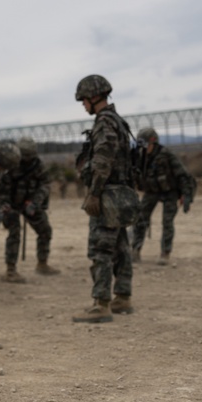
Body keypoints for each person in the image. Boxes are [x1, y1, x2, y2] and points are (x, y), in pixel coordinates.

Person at [73, 75, 135, 322]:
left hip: (108, 195)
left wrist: (94, 194)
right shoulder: (117, 121)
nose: (83, 105)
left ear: (94, 97)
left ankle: (101, 304)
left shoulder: (105, 123)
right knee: (120, 246)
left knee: (101, 249)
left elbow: (102, 161)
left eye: (84, 100)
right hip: (120, 193)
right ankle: (123, 297)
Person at [0, 137, 60, 282]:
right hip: (10, 205)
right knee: (15, 232)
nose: (27, 160)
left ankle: (42, 264)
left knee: (45, 230)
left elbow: (45, 185)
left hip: (30, 203)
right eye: (25, 157)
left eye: (30, 156)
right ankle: (10, 270)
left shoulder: (38, 166)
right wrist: (5, 206)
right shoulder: (9, 165)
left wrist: (35, 202)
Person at [130, 127, 195, 265]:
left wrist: (186, 194)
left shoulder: (167, 155)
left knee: (167, 222)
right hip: (152, 191)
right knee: (140, 219)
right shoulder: (141, 156)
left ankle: (165, 253)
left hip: (170, 192)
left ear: (153, 142)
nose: (143, 148)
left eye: (145, 144)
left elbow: (183, 175)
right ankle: (135, 251)